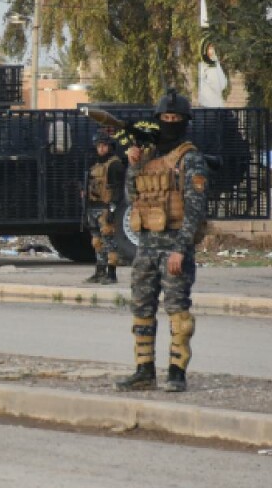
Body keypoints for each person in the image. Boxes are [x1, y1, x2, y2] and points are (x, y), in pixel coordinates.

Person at [116, 88, 208, 393]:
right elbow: (132, 196)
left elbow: (194, 211)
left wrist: (180, 250)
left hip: (173, 248)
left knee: (177, 310)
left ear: (184, 121)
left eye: (176, 118)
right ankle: (143, 370)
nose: (170, 122)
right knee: (141, 308)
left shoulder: (190, 159)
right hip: (146, 247)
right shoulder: (149, 156)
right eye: (166, 118)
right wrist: (133, 163)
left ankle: (176, 373)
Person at [83, 130, 125, 285]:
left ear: (109, 146)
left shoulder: (114, 164)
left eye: (104, 146)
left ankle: (111, 273)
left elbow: (119, 189)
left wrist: (113, 208)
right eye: (99, 146)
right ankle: (99, 272)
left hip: (106, 208)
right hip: (93, 206)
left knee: (109, 241)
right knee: (96, 241)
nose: (101, 149)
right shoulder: (95, 164)